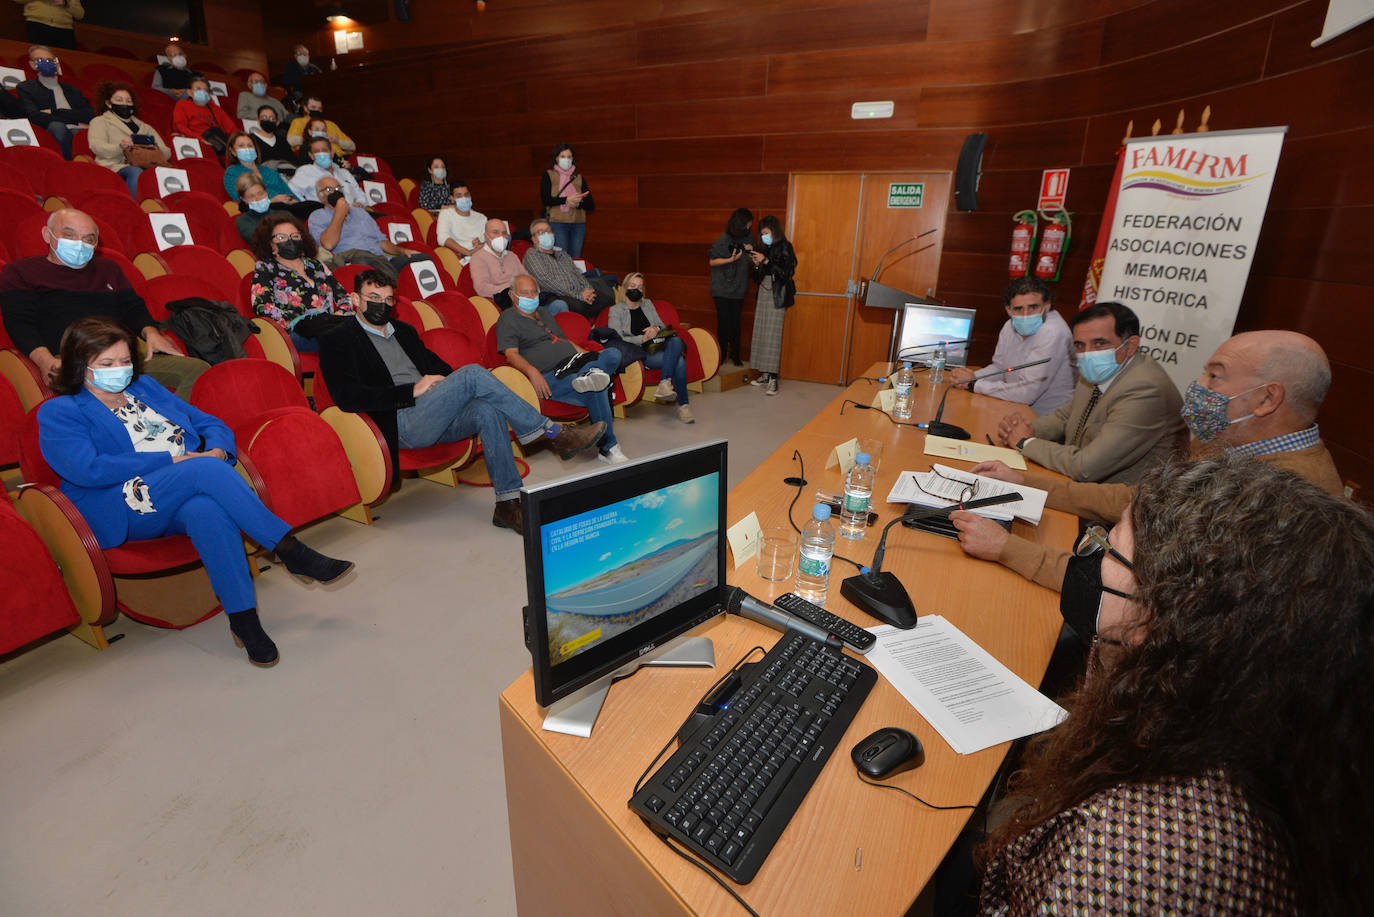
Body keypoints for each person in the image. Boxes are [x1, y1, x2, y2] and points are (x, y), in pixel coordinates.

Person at [974, 454, 1372, 916]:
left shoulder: (1126, 857)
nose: (1093, 560)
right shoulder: (1257, 728)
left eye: (1108, 546)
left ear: (1167, 616)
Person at [38, 317, 355, 667]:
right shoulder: (59, 412)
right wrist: (171, 460)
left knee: (207, 511)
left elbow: (208, 422)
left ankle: (244, 620)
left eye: (125, 361)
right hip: (123, 503)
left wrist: (218, 448)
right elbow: (87, 469)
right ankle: (289, 549)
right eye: (107, 365)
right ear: (80, 366)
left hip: (183, 488)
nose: (120, 370)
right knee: (202, 469)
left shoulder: (144, 387)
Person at [951, 330, 1344, 593]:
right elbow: (1137, 498)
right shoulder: (1232, 444)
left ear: (1266, 399)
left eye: (1215, 377)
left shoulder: (1288, 500)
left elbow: (1143, 589)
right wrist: (1026, 482)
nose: (1198, 386)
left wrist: (1007, 548)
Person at [318, 270, 606, 533]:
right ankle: (553, 433)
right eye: (373, 298)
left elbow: (439, 367)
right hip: (399, 421)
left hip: (434, 411)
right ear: (355, 299)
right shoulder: (338, 339)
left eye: (388, 299)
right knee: (471, 374)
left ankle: (507, 504)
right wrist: (411, 391)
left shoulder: (403, 331)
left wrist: (450, 387)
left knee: (486, 408)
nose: (382, 304)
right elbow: (347, 397)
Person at [0, 209, 207, 396]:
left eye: (88, 239)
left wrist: (150, 332)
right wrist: (44, 360)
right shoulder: (20, 272)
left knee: (196, 370)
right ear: (47, 234)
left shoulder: (109, 269)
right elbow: (19, 323)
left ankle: (177, 430)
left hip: (122, 358)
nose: (79, 244)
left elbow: (131, 306)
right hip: (72, 360)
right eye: (69, 235)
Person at [993, 302, 1186, 484]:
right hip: (1074, 480)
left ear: (1130, 345)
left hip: (1122, 504)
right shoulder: (1101, 368)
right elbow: (1066, 416)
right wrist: (1024, 428)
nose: (1088, 353)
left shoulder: (1145, 390)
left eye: (1099, 344)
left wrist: (1025, 442)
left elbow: (1086, 467)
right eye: (1080, 345)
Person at [497, 274, 627, 464]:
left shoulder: (544, 312)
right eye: (524, 292)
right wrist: (533, 372)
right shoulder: (507, 318)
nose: (530, 296)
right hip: (552, 376)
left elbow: (564, 341)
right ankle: (609, 447)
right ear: (512, 295)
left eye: (534, 292)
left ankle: (592, 372)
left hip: (575, 364)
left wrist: (589, 359)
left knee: (612, 354)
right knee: (596, 387)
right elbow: (511, 354)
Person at [947, 277, 1075, 415]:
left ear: (1047, 306)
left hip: (1045, 421)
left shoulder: (1053, 332)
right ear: (1009, 310)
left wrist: (973, 384)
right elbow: (1000, 369)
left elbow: (1027, 393)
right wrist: (970, 376)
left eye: (1033, 307)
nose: (1026, 315)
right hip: (1011, 406)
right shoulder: (1009, 325)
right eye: (1019, 309)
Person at [249, 214, 352, 353]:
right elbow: (262, 306)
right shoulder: (266, 267)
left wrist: (339, 315)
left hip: (329, 325)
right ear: (270, 244)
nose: (289, 240)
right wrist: (298, 321)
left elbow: (344, 297)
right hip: (294, 332)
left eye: (294, 236)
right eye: (281, 237)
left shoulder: (317, 266)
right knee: (349, 339)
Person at [607, 273, 693, 423]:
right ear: (625, 287)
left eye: (640, 287)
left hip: (658, 343)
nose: (636, 290)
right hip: (639, 350)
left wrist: (655, 328)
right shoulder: (616, 310)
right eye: (633, 286)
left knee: (676, 341)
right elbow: (617, 338)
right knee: (679, 362)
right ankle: (683, 405)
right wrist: (642, 338)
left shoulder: (647, 304)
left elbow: (662, 325)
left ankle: (664, 383)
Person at [307, 175, 428, 274]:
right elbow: (328, 244)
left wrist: (402, 251)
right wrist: (339, 213)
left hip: (382, 261)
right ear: (320, 196)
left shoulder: (360, 212)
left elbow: (382, 242)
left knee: (422, 259)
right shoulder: (317, 216)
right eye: (329, 190)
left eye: (338, 188)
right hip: (354, 263)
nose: (336, 192)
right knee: (363, 259)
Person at [87, 81, 169, 198]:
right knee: (134, 171)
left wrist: (156, 147)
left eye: (128, 101)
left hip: (146, 165)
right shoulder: (99, 122)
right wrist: (120, 147)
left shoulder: (145, 127)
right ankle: (134, 209)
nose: (124, 104)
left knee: (168, 173)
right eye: (119, 100)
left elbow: (167, 153)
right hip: (115, 166)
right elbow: (97, 147)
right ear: (109, 103)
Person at [521, 218, 614, 319]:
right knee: (579, 307)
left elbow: (578, 274)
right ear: (534, 239)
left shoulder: (563, 254)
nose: (546, 234)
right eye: (541, 232)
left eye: (548, 231)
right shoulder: (532, 255)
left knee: (607, 300)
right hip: (557, 295)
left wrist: (588, 290)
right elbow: (547, 281)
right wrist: (578, 295)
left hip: (579, 292)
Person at [469, 218, 565, 314]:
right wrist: (513, 290)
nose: (500, 236)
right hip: (506, 302)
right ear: (485, 237)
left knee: (559, 305)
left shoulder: (512, 256)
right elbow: (482, 288)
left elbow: (527, 277)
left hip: (526, 297)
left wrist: (529, 291)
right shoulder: (478, 258)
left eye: (504, 233)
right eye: (495, 232)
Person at [746, 215, 797, 396]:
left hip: (777, 295)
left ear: (774, 231)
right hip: (764, 292)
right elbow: (756, 278)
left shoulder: (785, 247)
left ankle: (774, 378)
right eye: (762, 234)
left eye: (766, 233)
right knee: (761, 331)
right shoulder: (764, 248)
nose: (764, 236)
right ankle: (765, 374)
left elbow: (787, 272)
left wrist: (767, 262)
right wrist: (757, 265)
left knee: (773, 335)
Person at [221, 130, 317, 221]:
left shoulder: (268, 171)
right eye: (241, 146)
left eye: (250, 145)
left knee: (315, 206)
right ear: (233, 151)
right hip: (265, 211)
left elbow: (289, 192)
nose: (247, 148)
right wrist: (271, 201)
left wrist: (294, 201)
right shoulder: (232, 172)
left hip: (287, 206)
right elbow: (242, 201)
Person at [17, 45, 92, 159]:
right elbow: (34, 115)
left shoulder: (72, 90)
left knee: (78, 133)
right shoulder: (26, 88)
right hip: (53, 130)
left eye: (49, 60)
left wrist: (53, 112)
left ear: (56, 63)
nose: (46, 63)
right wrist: (74, 122)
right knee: (57, 127)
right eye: (40, 60)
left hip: (77, 130)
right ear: (32, 65)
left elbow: (88, 114)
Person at [708, 207, 754, 367]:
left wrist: (750, 251)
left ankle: (735, 355)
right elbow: (712, 261)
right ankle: (721, 356)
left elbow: (751, 260)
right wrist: (731, 259)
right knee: (723, 323)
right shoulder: (724, 238)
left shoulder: (749, 237)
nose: (749, 227)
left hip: (739, 287)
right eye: (748, 224)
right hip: (721, 287)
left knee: (736, 323)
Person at [539, 143, 593, 257]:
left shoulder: (578, 178)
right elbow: (546, 200)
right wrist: (566, 200)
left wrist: (577, 203)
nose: (566, 160)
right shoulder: (549, 175)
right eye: (563, 156)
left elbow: (591, 205)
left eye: (569, 157)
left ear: (573, 159)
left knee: (575, 258)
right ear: (556, 158)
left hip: (578, 224)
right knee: (561, 258)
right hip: (557, 223)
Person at [289, 135, 366, 204]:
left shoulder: (344, 173)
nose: (321, 154)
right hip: (324, 216)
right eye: (316, 152)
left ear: (332, 152)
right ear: (311, 155)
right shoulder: (305, 171)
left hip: (353, 214)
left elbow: (360, 194)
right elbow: (291, 192)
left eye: (324, 150)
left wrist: (360, 204)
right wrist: (309, 208)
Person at [171, 77, 235, 156]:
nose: (203, 92)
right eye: (198, 89)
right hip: (197, 142)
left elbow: (232, 129)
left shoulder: (215, 109)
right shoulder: (182, 105)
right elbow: (180, 126)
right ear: (189, 92)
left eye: (206, 90)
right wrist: (200, 139)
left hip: (219, 143)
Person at [434, 180, 487, 265]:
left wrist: (479, 243)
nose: (464, 198)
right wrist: (468, 252)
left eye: (466, 195)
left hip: (482, 253)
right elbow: (442, 239)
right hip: (462, 255)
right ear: (452, 198)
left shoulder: (481, 217)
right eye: (459, 196)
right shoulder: (446, 214)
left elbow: (485, 240)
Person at [233, 173, 291, 245]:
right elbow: (260, 241)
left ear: (266, 192)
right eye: (251, 196)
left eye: (260, 193)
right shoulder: (243, 220)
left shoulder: (284, 213)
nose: (258, 199)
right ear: (244, 199)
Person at [286, 96, 354, 157]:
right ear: (305, 108)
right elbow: (290, 141)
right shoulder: (298, 122)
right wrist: (311, 137)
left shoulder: (331, 124)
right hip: (315, 157)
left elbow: (352, 146)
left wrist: (337, 141)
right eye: (313, 107)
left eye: (319, 109)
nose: (317, 110)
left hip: (339, 157)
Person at [246, 104, 295, 175]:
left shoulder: (282, 140)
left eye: (272, 118)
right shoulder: (250, 140)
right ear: (258, 120)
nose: (268, 120)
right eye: (264, 118)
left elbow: (293, 162)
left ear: (277, 122)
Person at [15, 0, 84, 50]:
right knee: (39, 56)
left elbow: (80, 15)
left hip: (64, 29)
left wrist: (65, 3)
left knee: (66, 59)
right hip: (37, 25)